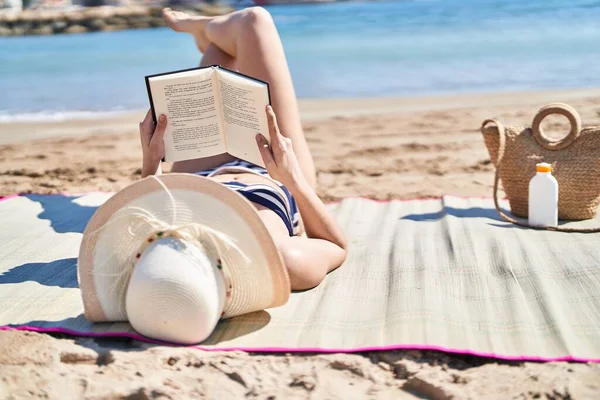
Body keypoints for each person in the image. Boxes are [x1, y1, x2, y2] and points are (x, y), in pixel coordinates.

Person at [139, 7, 347, 291]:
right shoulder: (288, 263)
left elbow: (148, 213)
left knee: (218, 57)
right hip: (275, 171)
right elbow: (335, 245)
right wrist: (293, 179)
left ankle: (207, 29)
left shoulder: (169, 256)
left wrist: (151, 162)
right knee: (254, 21)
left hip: (200, 172)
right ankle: (206, 25)